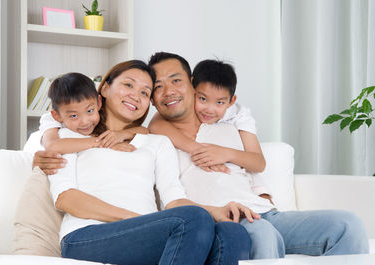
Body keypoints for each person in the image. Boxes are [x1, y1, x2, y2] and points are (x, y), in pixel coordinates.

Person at [146, 52, 369, 259]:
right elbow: (171, 198)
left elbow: (252, 166)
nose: (169, 91)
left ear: (192, 84)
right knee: (263, 234)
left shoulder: (228, 125)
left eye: (176, 80)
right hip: (223, 221)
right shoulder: (157, 141)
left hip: (265, 214)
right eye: (158, 86)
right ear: (152, 99)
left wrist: (262, 194)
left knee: (347, 225)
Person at [33, 60, 253, 265]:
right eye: (128, 85)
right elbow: (66, 199)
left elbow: (174, 200)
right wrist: (142, 221)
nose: (135, 96)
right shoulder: (70, 138)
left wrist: (216, 211)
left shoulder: (157, 143)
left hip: (149, 233)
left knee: (233, 234)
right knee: (192, 220)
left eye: (145, 92)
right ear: (105, 90)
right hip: (86, 236)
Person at [149, 59, 272, 202]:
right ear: (193, 90)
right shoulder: (170, 120)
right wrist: (199, 150)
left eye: (219, 102)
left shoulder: (238, 115)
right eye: (202, 99)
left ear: (231, 102)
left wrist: (225, 153)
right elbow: (156, 124)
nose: (209, 109)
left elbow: (258, 162)